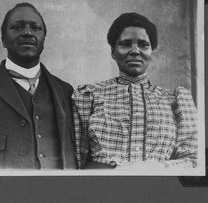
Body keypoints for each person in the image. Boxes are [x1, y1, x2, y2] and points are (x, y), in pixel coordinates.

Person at [72, 12, 198, 171]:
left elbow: (194, 160)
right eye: (125, 44)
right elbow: (76, 162)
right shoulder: (88, 96)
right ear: (113, 51)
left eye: (143, 44)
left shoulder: (176, 99)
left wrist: (157, 167)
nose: (135, 51)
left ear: (152, 51)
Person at [0, 2, 76, 169]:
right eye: (17, 27)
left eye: (36, 28)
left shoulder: (66, 92)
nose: (28, 32)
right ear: (4, 40)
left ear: (43, 40)